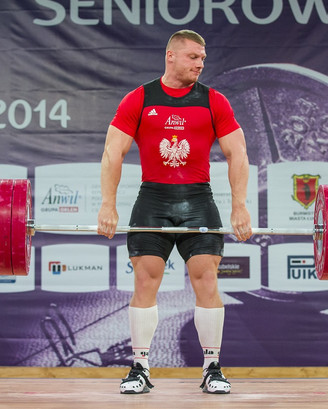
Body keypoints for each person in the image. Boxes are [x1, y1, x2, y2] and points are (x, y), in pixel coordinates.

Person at [97, 29, 252, 394]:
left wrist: (240, 206)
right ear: (171, 56)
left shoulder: (214, 101)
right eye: (193, 57)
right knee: (145, 281)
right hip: (153, 200)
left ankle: (212, 367)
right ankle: (140, 368)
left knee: (207, 280)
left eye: (203, 59)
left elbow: (238, 154)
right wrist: (108, 203)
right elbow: (112, 153)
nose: (200, 64)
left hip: (198, 199)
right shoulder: (140, 98)